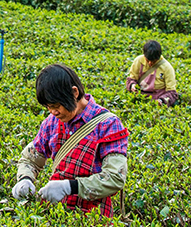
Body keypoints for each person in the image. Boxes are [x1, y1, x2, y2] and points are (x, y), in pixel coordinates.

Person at [12, 64, 129, 216]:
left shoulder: (108, 125)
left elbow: (115, 177)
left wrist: (70, 187)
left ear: (74, 92)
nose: (53, 112)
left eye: (56, 106)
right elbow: (30, 159)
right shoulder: (51, 122)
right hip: (55, 214)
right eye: (48, 107)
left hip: (94, 219)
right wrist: (25, 179)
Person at [124, 40, 178, 106]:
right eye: (148, 60)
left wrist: (161, 101)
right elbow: (131, 79)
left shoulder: (167, 68)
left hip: (157, 97)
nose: (150, 63)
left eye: (153, 61)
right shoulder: (138, 61)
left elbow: (172, 92)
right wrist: (132, 85)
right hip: (139, 96)